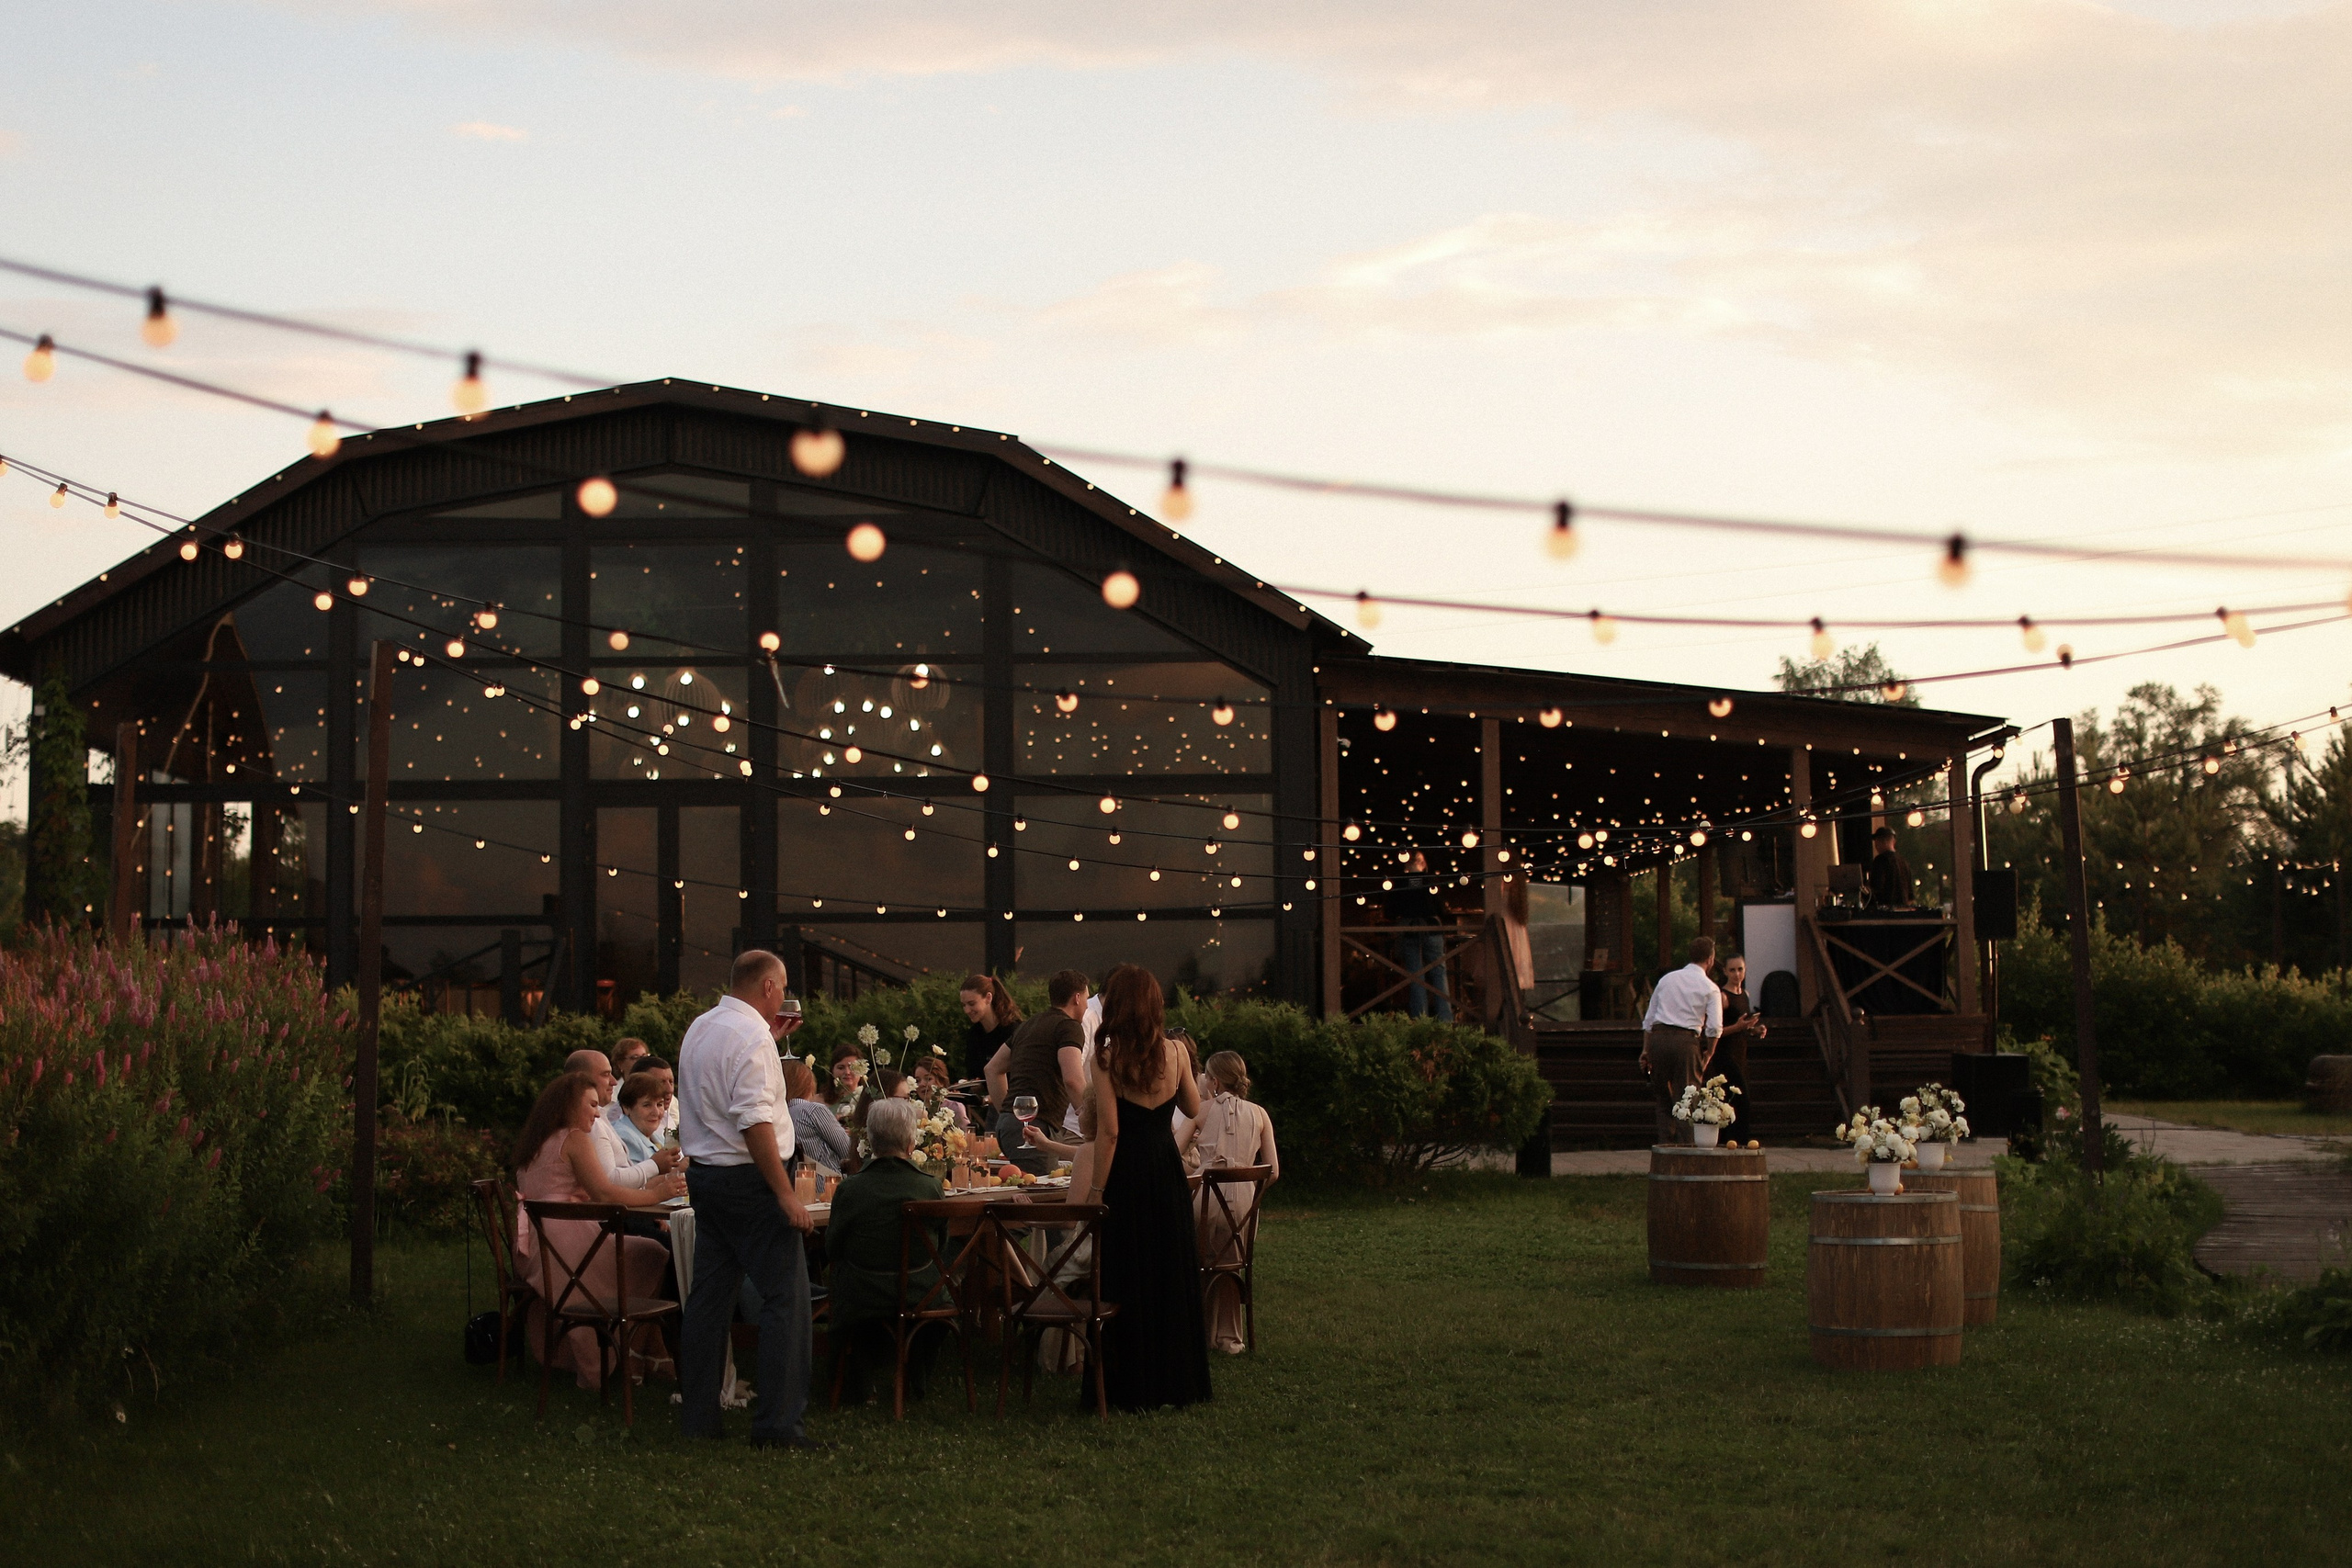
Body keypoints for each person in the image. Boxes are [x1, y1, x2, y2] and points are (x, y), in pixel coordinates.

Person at [675, 949, 822, 1450]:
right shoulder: (753, 1036)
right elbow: (754, 1120)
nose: (784, 996)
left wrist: (772, 1041)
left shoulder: (703, 1026)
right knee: (786, 1299)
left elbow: (722, 1088)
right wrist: (784, 1193)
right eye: (781, 986)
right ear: (768, 988)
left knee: (709, 1300)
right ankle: (778, 1427)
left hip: (707, 1179)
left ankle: (697, 1418)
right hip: (751, 1182)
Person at [1086, 963, 1211, 1412]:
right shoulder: (1176, 1052)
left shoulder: (1104, 1057)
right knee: (1168, 1270)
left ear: (1115, 1005)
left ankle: (1130, 1387)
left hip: (1128, 1172)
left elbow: (1110, 1131)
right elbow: (1194, 1106)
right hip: (1164, 1165)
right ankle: (1177, 1381)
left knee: (1127, 1272)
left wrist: (1097, 1192)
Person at [511, 1070, 686, 1389]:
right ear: (567, 1106)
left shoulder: (537, 1141)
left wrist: (651, 1184)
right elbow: (604, 1193)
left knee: (646, 1249)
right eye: (591, 1105)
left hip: (540, 1245)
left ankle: (646, 1350)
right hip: (568, 1244)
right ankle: (637, 1349)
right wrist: (657, 1195)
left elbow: (595, 1192)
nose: (597, 1112)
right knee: (655, 1252)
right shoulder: (573, 1138)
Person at [821, 1098, 949, 1404]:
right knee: (942, 1295)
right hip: (920, 1292)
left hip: (862, 1294)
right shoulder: (929, 1187)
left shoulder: (851, 1189)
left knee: (842, 1282)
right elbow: (940, 1246)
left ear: (870, 1139)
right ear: (910, 1141)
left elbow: (832, 1248)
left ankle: (862, 1382)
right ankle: (915, 1379)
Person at [1179, 1050, 1279, 1355]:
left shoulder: (1200, 1111)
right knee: (1230, 1265)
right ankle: (1230, 1339)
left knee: (1195, 1260)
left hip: (1205, 1203)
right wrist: (1249, 1185)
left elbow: (1169, 1155)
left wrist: (1195, 1171)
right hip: (1245, 1209)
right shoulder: (1261, 1114)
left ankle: (1197, 1332)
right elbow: (1272, 1171)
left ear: (1214, 1081)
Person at [989, 970, 1090, 1175]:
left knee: (1021, 1192)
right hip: (1035, 1128)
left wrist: (1009, 1113)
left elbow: (992, 1068)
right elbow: (1072, 1079)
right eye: (1087, 998)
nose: (1087, 1006)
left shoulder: (1029, 1025)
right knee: (1039, 1198)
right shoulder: (1068, 1026)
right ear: (1077, 998)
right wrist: (1089, 1119)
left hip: (1008, 1126)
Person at [1641, 937, 1723, 1145]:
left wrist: (1646, 1049)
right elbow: (1714, 1027)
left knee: (1662, 1099)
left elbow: (1649, 1019)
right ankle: (1686, 1150)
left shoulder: (1667, 980)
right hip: (1685, 1042)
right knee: (1687, 1100)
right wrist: (1709, 1052)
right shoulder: (1710, 988)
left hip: (1659, 1039)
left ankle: (1664, 1148)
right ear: (1711, 959)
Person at [568, 1048, 681, 1190]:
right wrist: (657, 1166)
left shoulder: (600, 1119)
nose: (614, 1082)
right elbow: (611, 1184)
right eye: (606, 1075)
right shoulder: (594, 1125)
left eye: (659, 1104)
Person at [1702, 954, 1767, 1138]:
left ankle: (1738, 1140)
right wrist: (1737, 1027)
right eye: (1732, 970)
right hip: (1724, 1054)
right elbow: (1713, 1030)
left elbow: (1743, 1026)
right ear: (1725, 971)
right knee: (1739, 1097)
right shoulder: (1723, 997)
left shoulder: (1744, 994)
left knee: (1739, 1099)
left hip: (1740, 1053)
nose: (1737, 974)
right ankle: (1735, 1140)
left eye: (1740, 969)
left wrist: (1754, 1029)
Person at [1385, 851, 1453, 1021]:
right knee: (1439, 972)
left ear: (1407, 864)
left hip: (1409, 930)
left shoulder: (1400, 882)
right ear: (1423, 863)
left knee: (1415, 975)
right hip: (1431, 928)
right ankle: (1445, 1018)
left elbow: (1390, 911)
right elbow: (1441, 908)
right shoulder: (1431, 880)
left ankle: (1420, 1019)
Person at [784, 1057, 853, 1177]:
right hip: (826, 1189)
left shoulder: (780, 1117)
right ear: (808, 1084)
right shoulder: (813, 1110)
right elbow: (848, 1151)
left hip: (794, 1188)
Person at [957, 974, 1022, 1082]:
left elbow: (1019, 1074)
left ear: (988, 998)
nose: (967, 1010)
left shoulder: (1014, 1031)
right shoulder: (974, 1034)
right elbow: (973, 1074)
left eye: (971, 1004)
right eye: (964, 1005)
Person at [609, 1071, 673, 1167]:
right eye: (647, 1105)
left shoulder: (656, 1136)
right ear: (626, 1108)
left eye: (659, 1104)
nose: (656, 1112)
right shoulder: (624, 1137)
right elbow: (638, 1180)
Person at [1866, 825, 1915, 908]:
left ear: (1882, 841)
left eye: (1876, 841)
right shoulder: (1903, 862)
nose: (1876, 845)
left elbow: (1876, 888)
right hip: (1903, 911)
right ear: (1893, 841)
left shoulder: (1880, 860)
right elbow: (1910, 895)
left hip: (1886, 912)